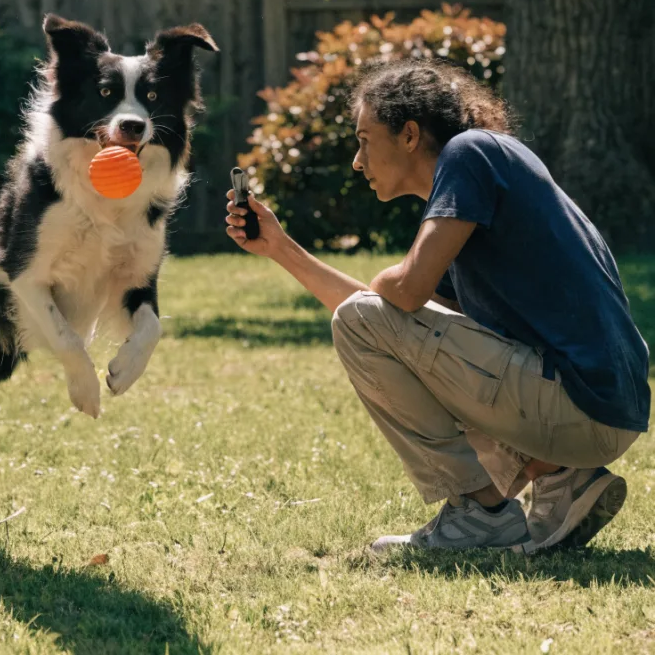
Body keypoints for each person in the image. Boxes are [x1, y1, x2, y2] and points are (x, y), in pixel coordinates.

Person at [225, 59, 650, 553]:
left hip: (579, 404)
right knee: (368, 322)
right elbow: (390, 325)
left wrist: (391, 278)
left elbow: (397, 295)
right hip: (603, 407)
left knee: (364, 318)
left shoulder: (469, 154)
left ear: (409, 134)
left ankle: (481, 511)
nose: (357, 162)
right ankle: (560, 479)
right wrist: (281, 248)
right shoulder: (481, 182)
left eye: (364, 139)